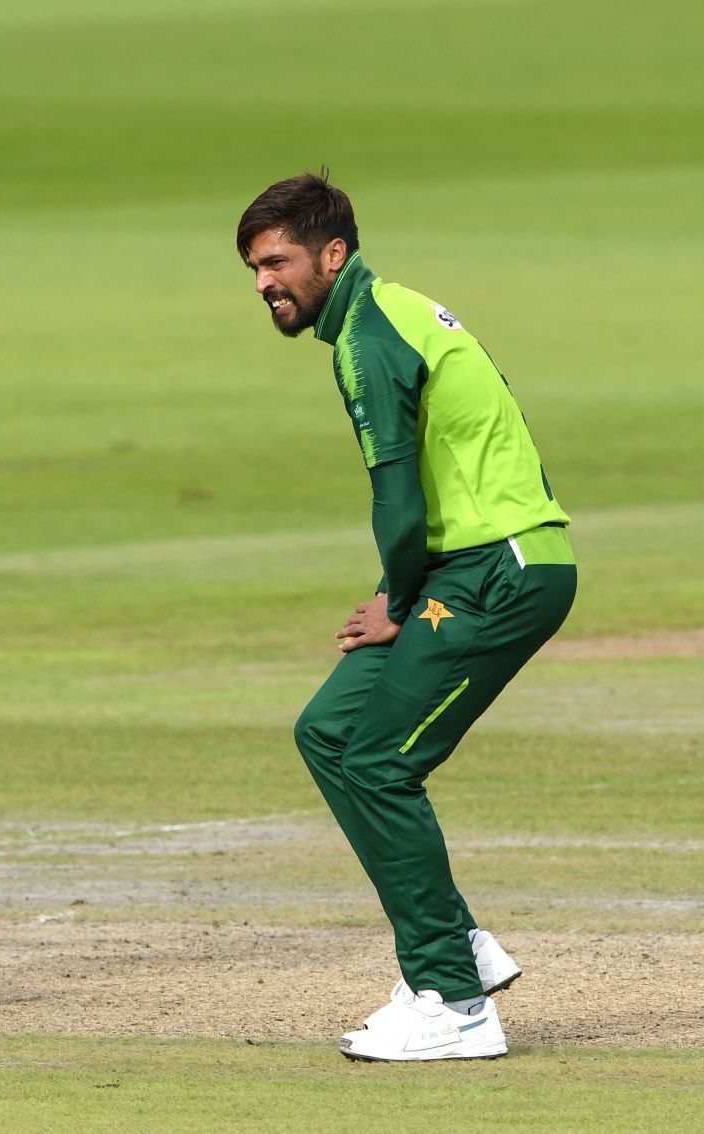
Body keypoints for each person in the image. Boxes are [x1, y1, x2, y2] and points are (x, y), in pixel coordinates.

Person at [237, 172, 576, 1061]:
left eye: (278, 262)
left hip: (501, 568)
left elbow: (395, 501)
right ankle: (459, 943)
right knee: (329, 732)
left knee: (381, 762)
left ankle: (455, 1005)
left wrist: (395, 599)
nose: (264, 283)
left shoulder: (369, 338)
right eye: (254, 267)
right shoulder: (385, 313)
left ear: (333, 254)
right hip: (466, 567)